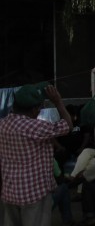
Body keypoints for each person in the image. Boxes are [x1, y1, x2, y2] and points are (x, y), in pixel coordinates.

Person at [0, 83, 73, 226]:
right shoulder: (35, 127)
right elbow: (68, 125)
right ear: (34, 109)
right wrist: (58, 101)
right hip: (34, 194)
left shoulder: (2, 125)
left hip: (9, 192)